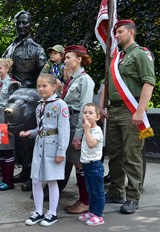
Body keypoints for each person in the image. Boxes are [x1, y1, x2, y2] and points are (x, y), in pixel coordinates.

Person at [100, 19, 155, 214]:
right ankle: (116, 191)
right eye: (116, 32)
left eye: (120, 32)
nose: (116, 35)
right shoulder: (117, 58)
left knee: (132, 155)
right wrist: (101, 106)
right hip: (114, 111)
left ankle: (133, 197)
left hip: (132, 111)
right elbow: (107, 83)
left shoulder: (141, 54)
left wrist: (140, 110)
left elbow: (149, 83)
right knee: (114, 154)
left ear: (131, 32)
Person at [20, 74, 70, 227]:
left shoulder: (60, 105)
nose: (41, 89)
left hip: (53, 147)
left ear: (53, 86)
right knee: (36, 180)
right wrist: (30, 133)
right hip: (40, 144)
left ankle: (52, 213)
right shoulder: (40, 105)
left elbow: (63, 130)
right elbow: (41, 128)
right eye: (39, 86)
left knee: (51, 180)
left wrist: (61, 152)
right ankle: (38, 211)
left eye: (44, 86)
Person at [59, 45, 95, 214]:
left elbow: (86, 109)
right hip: (69, 123)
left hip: (76, 124)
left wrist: (79, 135)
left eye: (68, 57)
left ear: (79, 59)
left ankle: (85, 201)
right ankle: (84, 199)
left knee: (80, 163)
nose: (65, 60)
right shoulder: (72, 80)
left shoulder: (85, 80)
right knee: (76, 163)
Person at [2, 10, 46, 88]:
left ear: (30, 25)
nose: (21, 26)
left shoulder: (38, 50)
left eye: (24, 23)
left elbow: (43, 76)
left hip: (28, 93)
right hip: (7, 91)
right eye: (18, 23)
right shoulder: (9, 49)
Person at [0, 58, 15, 191]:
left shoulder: (13, 84)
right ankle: (3, 179)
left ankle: (9, 181)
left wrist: (11, 124)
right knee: (0, 150)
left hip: (6, 119)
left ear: (7, 69)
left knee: (7, 150)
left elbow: (15, 106)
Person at [78, 103, 105, 226]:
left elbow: (91, 144)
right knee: (90, 191)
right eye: (85, 113)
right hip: (87, 165)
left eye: (90, 113)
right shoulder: (87, 129)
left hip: (95, 166)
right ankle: (92, 212)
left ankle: (99, 215)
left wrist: (87, 130)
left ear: (98, 117)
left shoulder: (97, 130)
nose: (87, 115)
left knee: (98, 191)